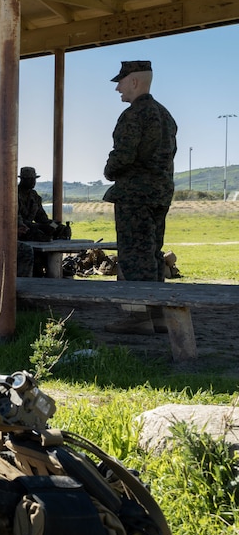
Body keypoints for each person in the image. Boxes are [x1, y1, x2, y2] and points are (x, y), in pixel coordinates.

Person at [103, 60, 178, 335]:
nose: (118, 89)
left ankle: (137, 316)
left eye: (121, 82)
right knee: (152, 254)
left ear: (134, 81)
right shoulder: (165, 115)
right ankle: (157, 315)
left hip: (134, 195)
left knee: (134, 256)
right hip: (159, 194)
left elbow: (124, 155)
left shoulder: (134, 114)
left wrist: (109, 170)